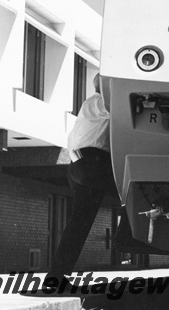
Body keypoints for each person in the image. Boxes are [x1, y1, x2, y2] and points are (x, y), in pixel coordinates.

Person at [45, 73, 113, 291]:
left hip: (80, 165)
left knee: (79, 222)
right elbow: (123, 108)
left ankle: (57, 276)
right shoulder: (98, 102)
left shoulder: (92, 105)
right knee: (135, 193)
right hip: (92, 163)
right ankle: (56, 277)